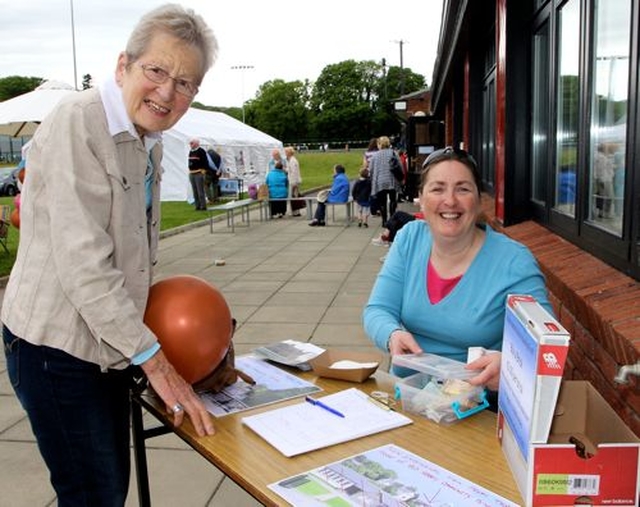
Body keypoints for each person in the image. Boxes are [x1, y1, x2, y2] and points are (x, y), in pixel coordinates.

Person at [1, 5, 217, 505]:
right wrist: (158, 365)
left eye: (185, 83)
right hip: (56, 349)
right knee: (93, 493)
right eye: (157, 71)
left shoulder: (152, 140)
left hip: (110, 348)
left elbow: (133, 255)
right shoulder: (76, 122)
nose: (167, 92)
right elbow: (86, 265)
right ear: (124, 66)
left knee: (107, 486)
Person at [363, 146, 552, 408]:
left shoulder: (514, 261)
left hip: (476, 407)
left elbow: (545, 346)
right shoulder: (409, 238)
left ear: (478, 198)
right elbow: (378, 309)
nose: (450, 201)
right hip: (408, 397)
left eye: (462, 189)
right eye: (437, 188)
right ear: (421, 197)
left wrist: (508, 364)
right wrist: (391, 334)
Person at [369, 136, 401, 226]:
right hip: (392, 180)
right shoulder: (393, 153)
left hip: (380, 181)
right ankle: (392, 218)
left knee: (382, 202)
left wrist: (372, 179)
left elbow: (371, 169)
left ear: (380, 144)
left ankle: (384, 221)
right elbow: (399, 165)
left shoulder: (375, 156)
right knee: (393, 200)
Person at [188, 138, 209, 210]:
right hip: (192, 173)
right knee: (195, 191)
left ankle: (203, 206)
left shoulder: (201, 151)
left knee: (200, 191)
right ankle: (197, 206)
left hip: (198, 173)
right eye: (190, 143)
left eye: (192, 143)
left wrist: (203, 171)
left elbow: (205, 162)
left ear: (196, 143)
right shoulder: (191, 151)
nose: (190, 145)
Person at [284, 146, 303, 216]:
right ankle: (295, 211)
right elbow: (290, 171)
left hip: (293, 182)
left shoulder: (292, 161)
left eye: (286, 152)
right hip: (292, 181)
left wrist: (294, 183)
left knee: (294, 197)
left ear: (289, 153)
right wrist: (285, 169)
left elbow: (294, 172)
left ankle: (296, 212)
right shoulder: (290, 160)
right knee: (294, 197)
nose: (285, 153)